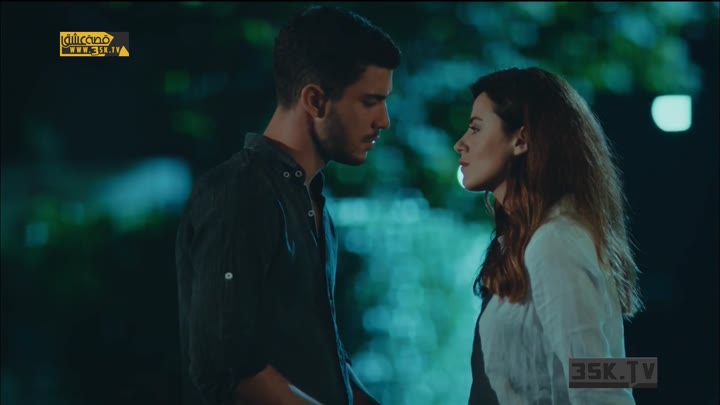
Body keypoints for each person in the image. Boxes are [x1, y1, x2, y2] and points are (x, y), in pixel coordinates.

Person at [175, 6, 400, 405]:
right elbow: (229, 369)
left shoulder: (314, 205)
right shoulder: (239, 194)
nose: (384, 120)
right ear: (315, 100)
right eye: (370, 101)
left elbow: (320, 356)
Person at [454, 67, 643, 404]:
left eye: (475, 128)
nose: (460, 144)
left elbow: (602, 385)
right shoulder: (522, 242)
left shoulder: (556, 242)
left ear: (521, 139)